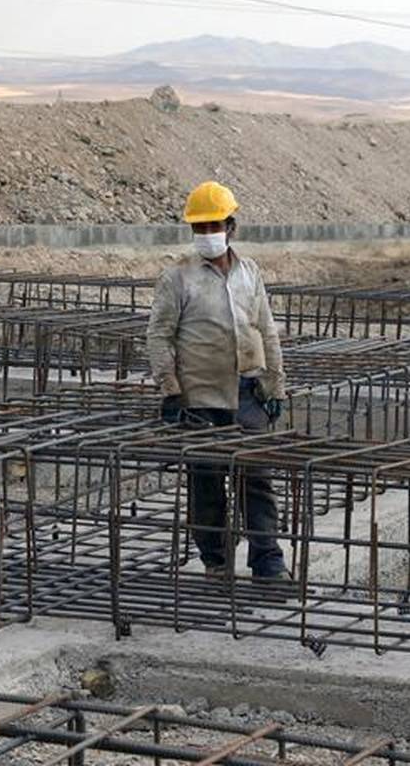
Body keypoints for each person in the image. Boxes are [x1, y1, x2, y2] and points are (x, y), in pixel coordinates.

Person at [145, 181, 290, 582]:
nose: (207, 233)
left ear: (231, 227)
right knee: (206, 483)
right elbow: (159, 335)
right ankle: (217, 561)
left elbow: (267, 330)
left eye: (214, 226)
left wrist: (275, 385)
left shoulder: (249, 272)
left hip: (247, 391)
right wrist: (170, 390)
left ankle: (268, 563)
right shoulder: (177, 277)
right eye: (200, 227)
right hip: (200, 399)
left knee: (256, 480)